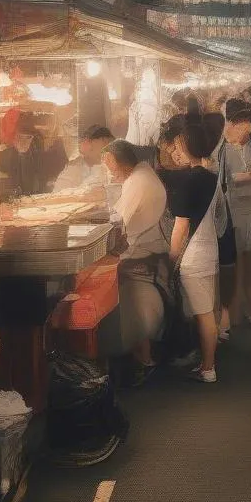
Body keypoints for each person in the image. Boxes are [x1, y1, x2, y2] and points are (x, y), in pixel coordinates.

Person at [101, 140, 171, 379]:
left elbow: (120, 222)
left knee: (130, 304)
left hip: (141, 257)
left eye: (109, 165)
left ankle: (140, 358)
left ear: (115, 161)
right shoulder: (142, 173)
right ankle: (143, 356)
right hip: (148, 252)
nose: (109, 171)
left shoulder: (137, 181)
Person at [169, 122, 223, 383]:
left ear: (188, 147)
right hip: (210, 248)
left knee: (202, 314)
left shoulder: (187, 181)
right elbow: (221, 216)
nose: (175, 150)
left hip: (192, 255)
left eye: (178, 146)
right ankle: (206, 361)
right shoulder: (213, 176)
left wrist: (170, 257)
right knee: (209, 310)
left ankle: (209, 368)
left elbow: (180, 226)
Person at [216, 107, 251, 331]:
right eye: (244, 130)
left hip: (249, 206)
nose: (246, 135)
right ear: (234, 124)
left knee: (248, 258)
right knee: (233, 262)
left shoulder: (250, 144)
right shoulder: (222, 148)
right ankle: (233, 313)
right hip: (229, 207)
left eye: (249, 132)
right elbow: (227, 178)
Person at [53, 125, 113, 192]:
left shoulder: (109, 168)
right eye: (104, 143)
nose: (106, 149)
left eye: (108, 144)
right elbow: (59, 193)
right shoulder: (73, 168)